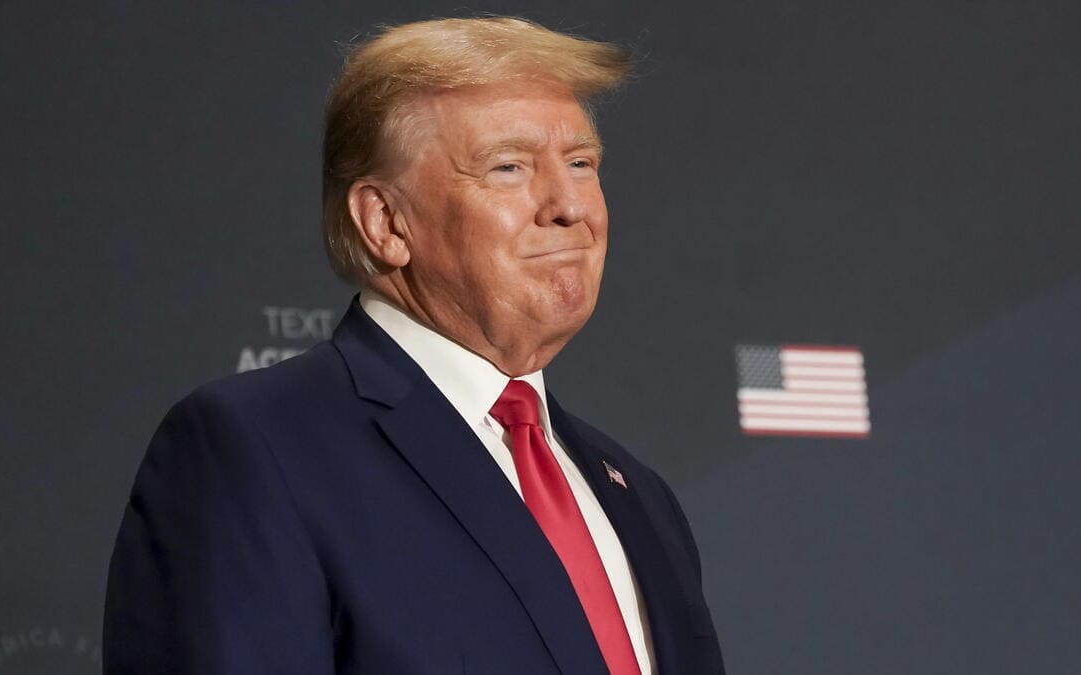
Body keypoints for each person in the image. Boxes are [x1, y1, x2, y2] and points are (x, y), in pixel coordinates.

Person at [103, 16, 724, 675]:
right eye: (509, 167)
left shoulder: (638, 495)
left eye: (580, 164)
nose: (569, 206)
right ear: (385, 222)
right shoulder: (257, 450)